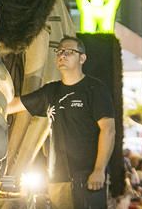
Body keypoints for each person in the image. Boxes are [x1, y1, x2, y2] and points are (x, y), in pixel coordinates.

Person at [7, 35, 115, 209]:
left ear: (82, 58)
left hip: (87, 176)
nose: (62, 55)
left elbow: (108, 130)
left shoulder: (95, 89)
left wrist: (99, 170)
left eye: (69, 52)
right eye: (59, 52)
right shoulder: (51, 91)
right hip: (57, 177)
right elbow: (15, 105)